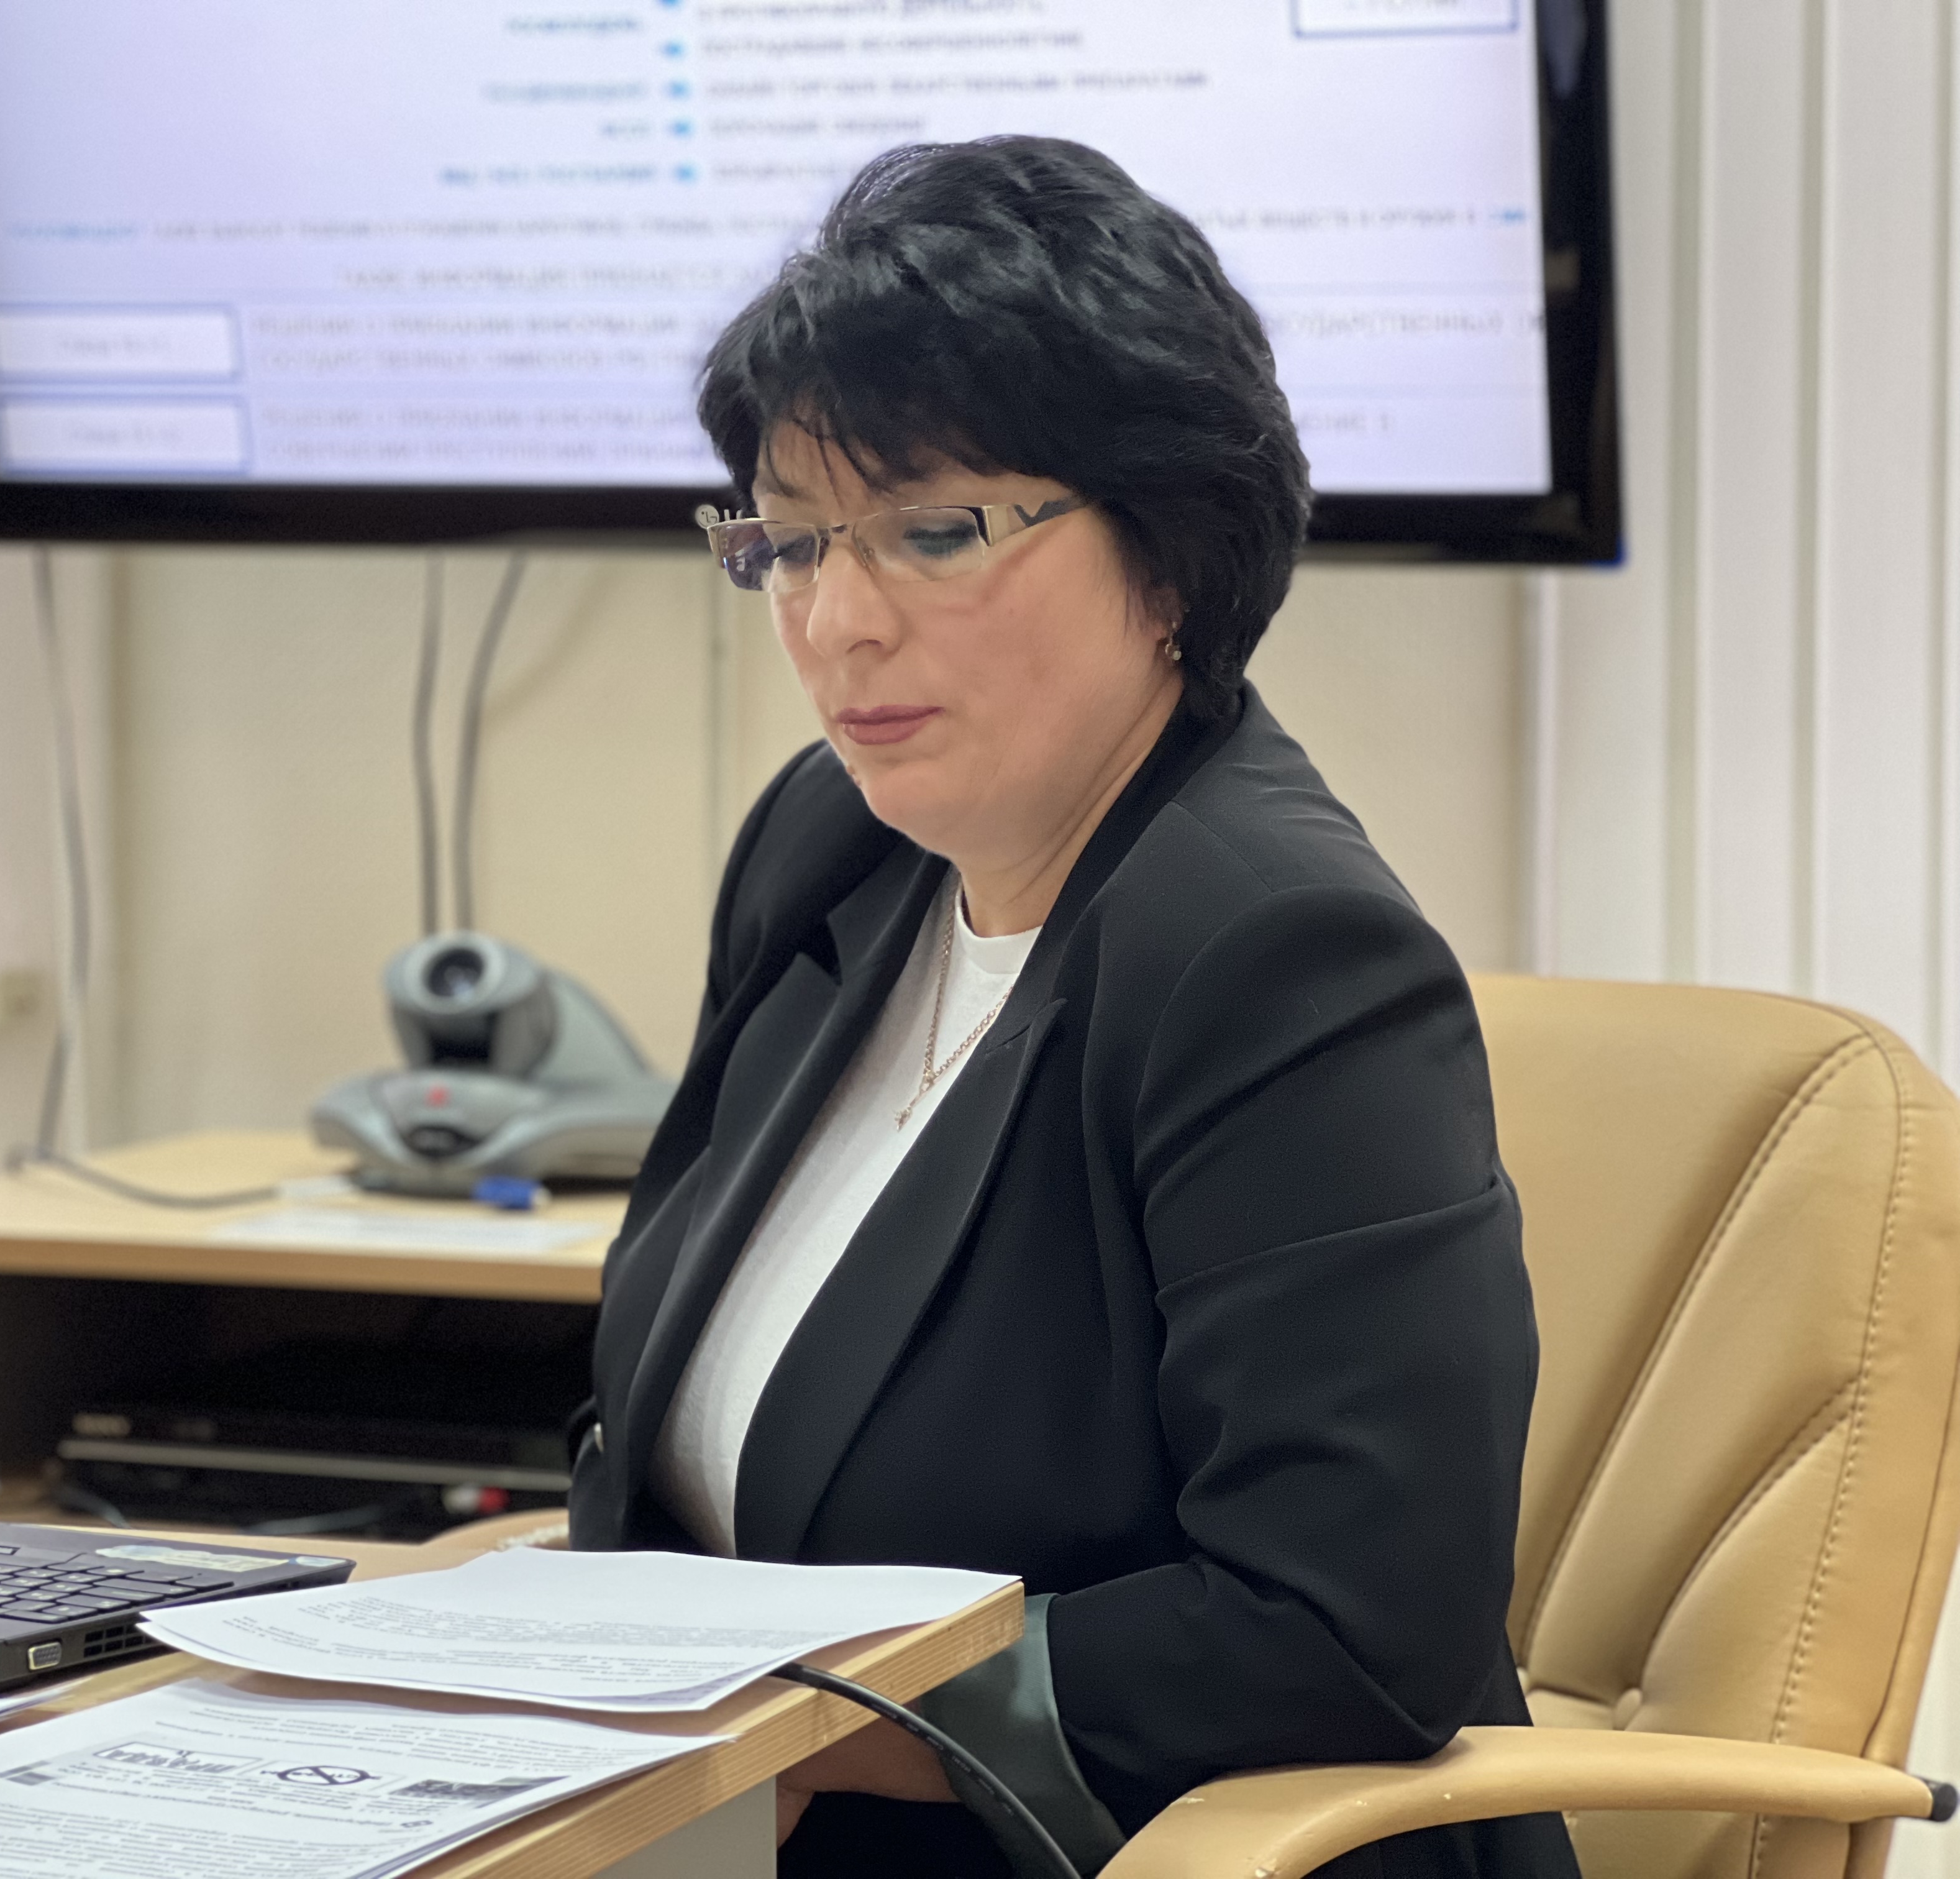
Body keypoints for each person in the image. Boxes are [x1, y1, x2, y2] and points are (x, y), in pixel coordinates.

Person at [564, 137, 1577, 1879]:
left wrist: (773, 1733)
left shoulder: (1281, 956)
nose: (837, 624)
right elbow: (648, 1438)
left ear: (1170, 554)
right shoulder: (831, 849)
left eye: (932, 532)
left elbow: (1340, 1635)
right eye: (790, 544)